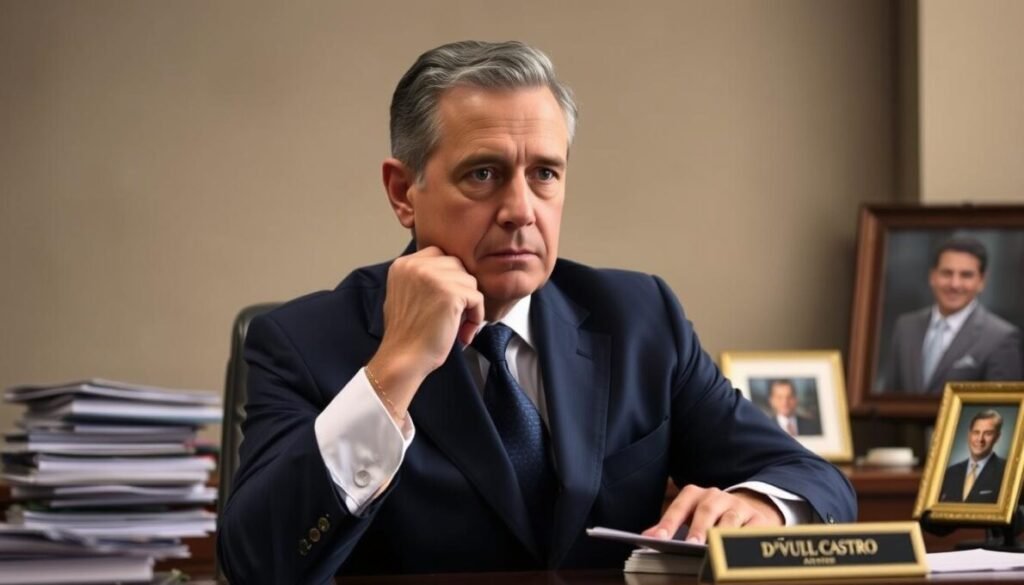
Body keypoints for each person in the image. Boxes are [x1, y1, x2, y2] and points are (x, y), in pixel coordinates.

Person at [217, 40, 856, 583]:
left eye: (545, 173)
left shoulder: (639, 318)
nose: (521, 210)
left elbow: (811, 477)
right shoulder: (301, 341)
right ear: (403, 192)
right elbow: (254, 565)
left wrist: (761, 506)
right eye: (483, 174)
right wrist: (392, 372)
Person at [883, 237, 1023, 394]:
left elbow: (1002, 405)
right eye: (947, 273)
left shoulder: (1000, 338)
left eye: (966, 275)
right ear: (932, 276)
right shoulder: (906, 326)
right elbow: (890, 396)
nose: (954, 284)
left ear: (982, 281)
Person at [939, 410, 1007, 503]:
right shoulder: (950, 473)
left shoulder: (1006, 471)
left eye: (988, 433)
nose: (980, 439)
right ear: (969, 434)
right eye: (976, 432)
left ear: (997, 437)